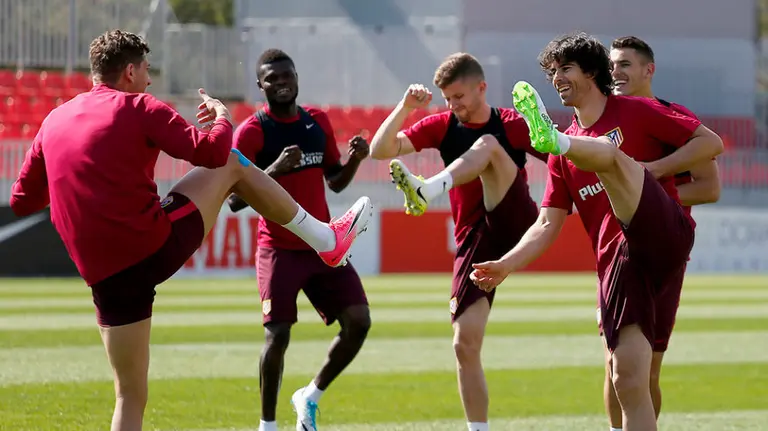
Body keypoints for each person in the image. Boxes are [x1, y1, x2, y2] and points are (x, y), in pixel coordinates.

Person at [8, 30, 373, 431]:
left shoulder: (53, 119)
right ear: (130, 70)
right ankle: (327, 239)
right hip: (151, 247)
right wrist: (222, 117)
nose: (149, 80)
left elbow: (23, 200)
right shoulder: (140, 106)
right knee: (234, 162)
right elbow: (214, 153)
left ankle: (325, 240)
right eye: (147, 70)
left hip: (103, 275)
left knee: (128, 395)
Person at [469, 32, 723, 431]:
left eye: (565, 69)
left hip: (663, 234)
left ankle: (574, 144)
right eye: (552, 72)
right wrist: (505, 264)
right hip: (621, 265)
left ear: (591, 72)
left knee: (607, 154)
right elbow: (547, 223)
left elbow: (712, 143)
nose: (556, 79)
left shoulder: (637, 110)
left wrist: (654, 171)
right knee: (627, 378)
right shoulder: (560, 160)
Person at [370, 52, 548, 431]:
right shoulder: (443, 125)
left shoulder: (511, 123)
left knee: (486, 144)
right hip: (474, 238)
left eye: (460, 97)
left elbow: (561, 161)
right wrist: (404, 107)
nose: (454, 105)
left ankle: (427, 189)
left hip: (514, 219)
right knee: (463, 343)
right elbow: (379, 151)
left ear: (481, 88)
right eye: (448, 98)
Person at [226, 49, 372, 431]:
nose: (281, 82)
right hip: (278, 248)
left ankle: (310, 396)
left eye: (286, 75)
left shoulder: (316, 121)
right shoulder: (253, 131)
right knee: (277, 337)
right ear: (261, 85)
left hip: (323, 243)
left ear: (296, 77)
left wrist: (356, 159)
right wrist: (272, 170)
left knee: (358, 321)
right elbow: (234, 200)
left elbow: (335, 180)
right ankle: (267, 425)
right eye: (271, 78)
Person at [605, 35, 722, 431]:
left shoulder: (671, 116)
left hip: (662, 254)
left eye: (624, 64)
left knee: (648, 368)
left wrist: (651, 186)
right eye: (611, 65)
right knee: (615, 365)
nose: (615, 72)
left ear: (648, 70)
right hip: (615, 249)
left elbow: (709, 187)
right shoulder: (604, 118)